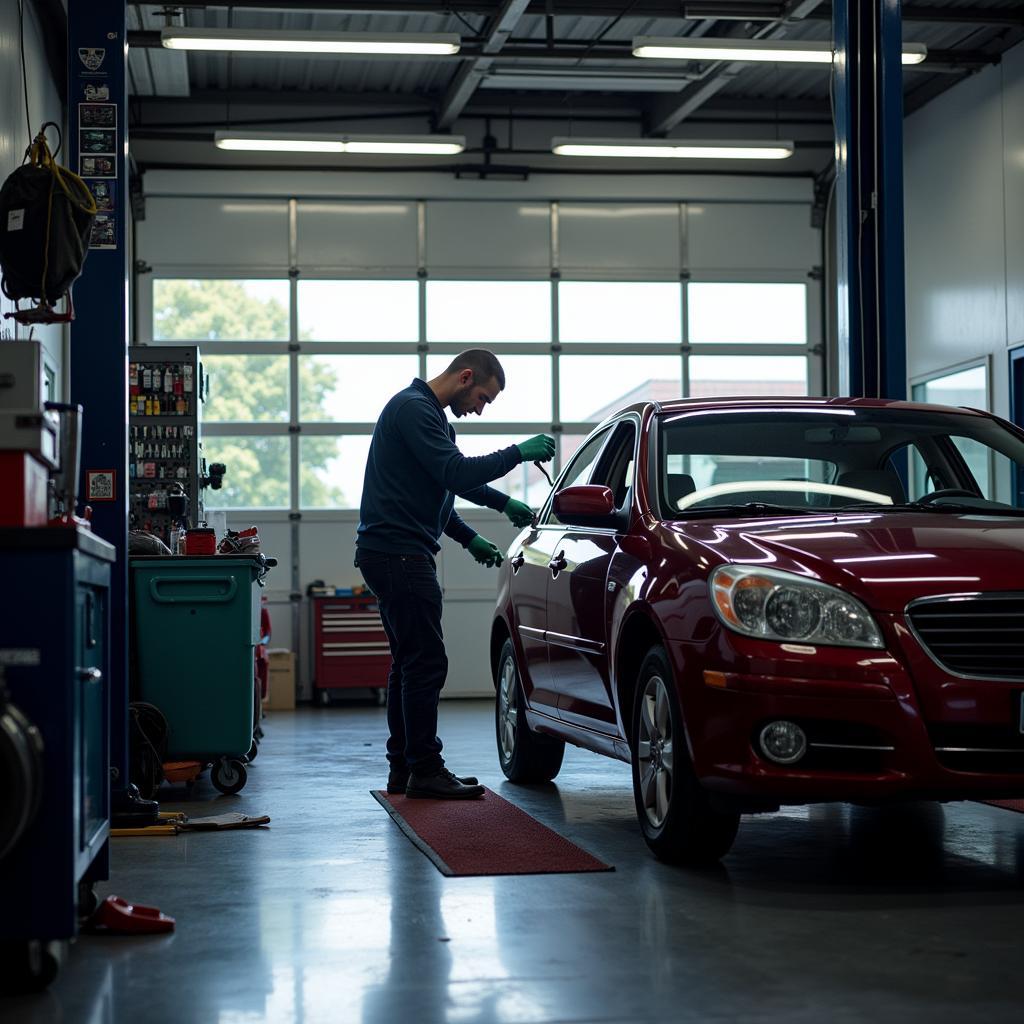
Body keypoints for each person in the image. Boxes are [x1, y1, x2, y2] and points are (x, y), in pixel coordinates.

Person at [355, 349, 555, 800]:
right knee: (426, 662)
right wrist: (517, 454)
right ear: (466, 377)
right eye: (483, 397)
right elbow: (456, 471)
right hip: (399, 555)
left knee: (408, 664)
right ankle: (424, 768)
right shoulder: (413, 409)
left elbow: (441, 488)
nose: (481, 408)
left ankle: (403, 769)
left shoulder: (432, 418)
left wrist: (472, 535)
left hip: (391, 553)